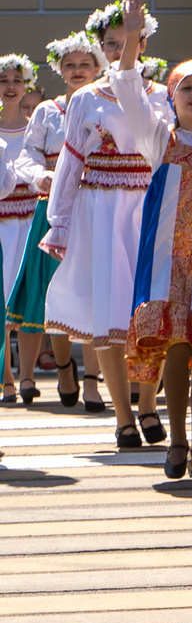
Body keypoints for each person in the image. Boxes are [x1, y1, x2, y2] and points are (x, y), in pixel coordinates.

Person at [41, 0, 165, 451]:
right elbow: (71, 162)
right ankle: (123, 416)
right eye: (110, 44)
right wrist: (59, 222)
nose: (118, 50)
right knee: (108, 311)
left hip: (147, 206)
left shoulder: (159, 94)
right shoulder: (86, 98)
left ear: (142, 42)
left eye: (127, 40)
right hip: (100, 209)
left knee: (150, 308)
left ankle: (148, 402)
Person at [124, 57, 192, 482]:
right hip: (168, 263)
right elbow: (129, 93)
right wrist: (131, 42)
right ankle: (179, 441)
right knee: (178, 346)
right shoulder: (159, 138)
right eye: (187, 88)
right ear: (172, 96)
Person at [11, 32, 93, 406]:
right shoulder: (47, 111)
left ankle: (91, 380)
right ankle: (63, 368)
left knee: (92, 290)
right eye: (70, 64)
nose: (77, 70)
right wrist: (39, 175)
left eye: (85, 64)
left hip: (93, 205)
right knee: (53, 290)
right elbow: (27, 154)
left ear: (97, 68)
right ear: (60, 69)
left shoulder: (104, 104)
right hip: (54, 208)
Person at [0, 54, 42, 404]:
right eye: (3, 81)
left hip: (29, 218)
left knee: (29, 295)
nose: (10, 87)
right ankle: (7, 375)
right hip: (2, 222)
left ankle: (27, 373)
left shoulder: (35, 126)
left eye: (16, 80)